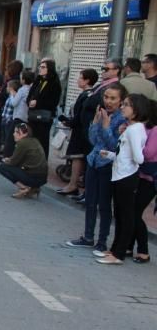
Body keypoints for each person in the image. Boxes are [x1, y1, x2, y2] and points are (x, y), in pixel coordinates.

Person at [66, 84, 127, 251]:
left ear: (121, 101)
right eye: (106, 97)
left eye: (113, 98)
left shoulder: (122, 120)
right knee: (90, 202)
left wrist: (107, 127)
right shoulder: (102, 114)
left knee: (104, 205)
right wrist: (95, 123)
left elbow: (115, 146)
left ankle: (102, 241)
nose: (108, 101)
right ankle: (87, 236)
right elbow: (93, 140)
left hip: (108, 165)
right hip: (93, 161)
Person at [96, 94, 150, 265]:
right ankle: (114, 249)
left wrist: (132, 152)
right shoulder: (131, 128)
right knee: (119, 214)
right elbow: (123, 154)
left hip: (126, 177)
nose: (122, 107)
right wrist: (111, 155)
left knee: (125, 216)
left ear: (137, 109)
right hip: (120, 174)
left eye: (126, 105)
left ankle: (119, 253)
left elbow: (139, 158)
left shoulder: (135, 130)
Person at [55, 68, 98, 196]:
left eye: (80, 77)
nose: (77, 80)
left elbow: (80, 116)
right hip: (81, 130)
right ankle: (73, 184)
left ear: (87, 80)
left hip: (80, 132)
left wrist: (69, 122)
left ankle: (73, 185)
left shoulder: (87, 95)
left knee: (77, 158)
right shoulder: (89, 94)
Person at [131, 100, 157, 263]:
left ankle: (143, 251)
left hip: (150, 178)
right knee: (132, 211)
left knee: (134, 213)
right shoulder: (144, 128)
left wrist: (134, 146)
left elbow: (148, 153)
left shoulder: (155, 130)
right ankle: (128, 245)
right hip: (140, 175)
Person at [0, 121, 48, 198]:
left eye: (17, 132)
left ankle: (23, 188)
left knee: (2, 167)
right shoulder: (35, 140)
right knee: (19, 167)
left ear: (25, 134)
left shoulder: (22, 143)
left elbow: (13, 163)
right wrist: (11, 159)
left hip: (33, 177)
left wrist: (6, 160)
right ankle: (34, 188)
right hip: (43, 178)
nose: (14, 134)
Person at [27, 59, 62, 156]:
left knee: (41, 141)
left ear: (49, 68)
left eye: (43, 67)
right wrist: (29, 102)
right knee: (31, 139)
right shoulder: (38, 80)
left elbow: (53, 101)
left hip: (44, 117)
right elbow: (30, 94)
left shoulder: (54, 83)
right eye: (40, 66)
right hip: (33, 115)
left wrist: (37, 103)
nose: (40, 69)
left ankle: (40, 164)